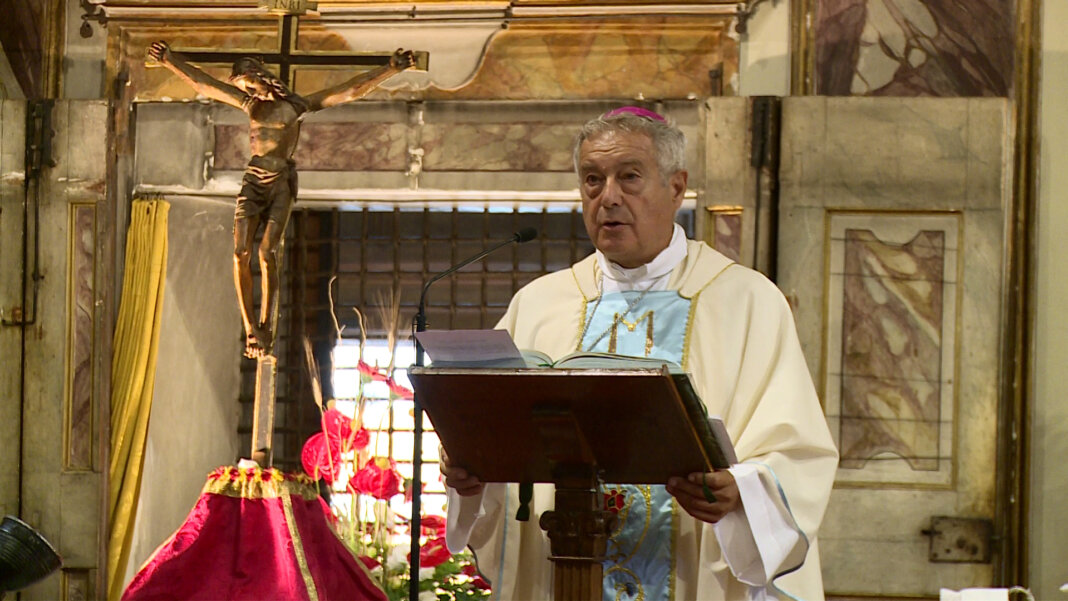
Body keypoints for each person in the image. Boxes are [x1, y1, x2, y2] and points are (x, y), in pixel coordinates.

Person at [440, 107, 839, 600]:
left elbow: (797, 451)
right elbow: (497, 443)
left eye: (629, 177)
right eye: (592, 179)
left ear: (676, 188)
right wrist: (473, 473)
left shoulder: (746, 301)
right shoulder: (540, 304)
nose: (608, 197)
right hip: (565, 570)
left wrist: (743, 493)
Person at [147, 41, 416, 358]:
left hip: (280, 184)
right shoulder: (252, 106)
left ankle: (265, 324)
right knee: (239, 254)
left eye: (247, 83)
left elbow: (350, 91)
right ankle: (250, 327)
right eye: (243, 86)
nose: (247, 90)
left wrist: (390, 69)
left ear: (259, 76)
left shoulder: (298, 105)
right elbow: (204, 84)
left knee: (265, 253)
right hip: (253, 181)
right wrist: (170, 59)